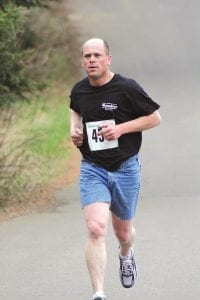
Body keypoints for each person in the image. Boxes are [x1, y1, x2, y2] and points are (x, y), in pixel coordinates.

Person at [69, 38, 161, 300]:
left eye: (97, 55)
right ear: (83, 60)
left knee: (123, 233)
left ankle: (126, 253)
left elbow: (155, 117)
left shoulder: (127, 88)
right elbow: (75, 110)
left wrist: (121, 129)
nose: (92, 60)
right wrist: (73, 130)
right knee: (96, 228)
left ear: (108, 59)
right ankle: (98, 293)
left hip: (125, 168)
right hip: (93, 167)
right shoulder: (79, 90)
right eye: (87, 56)